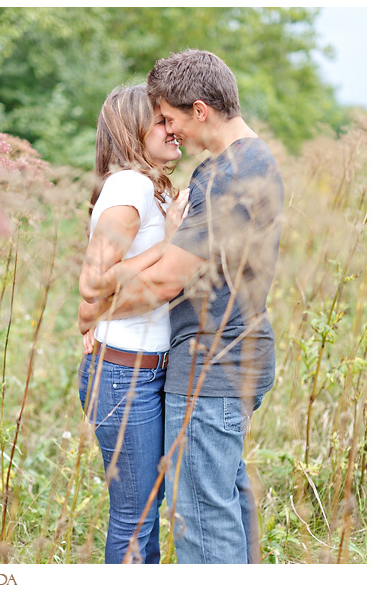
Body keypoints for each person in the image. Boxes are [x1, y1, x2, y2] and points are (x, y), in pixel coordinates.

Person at [78, 49, 284, 564]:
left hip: (213, 363)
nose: (172, 132)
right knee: (223, 509)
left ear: (199, 110)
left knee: (202, 523)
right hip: (219, 359)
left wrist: (94, 312)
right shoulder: (234, 166)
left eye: (170, 118)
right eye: (158, 123)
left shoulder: (233, 173)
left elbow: (170, 278)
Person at [77, 84, 188, 564]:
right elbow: (92, 285)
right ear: (132, 128)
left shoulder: (151, 189)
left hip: (146, 371)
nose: (174, 128)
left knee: (145, 510)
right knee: (135, 517)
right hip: (125, 375)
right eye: (162, 119)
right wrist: (172, 243)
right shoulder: (129, 187)